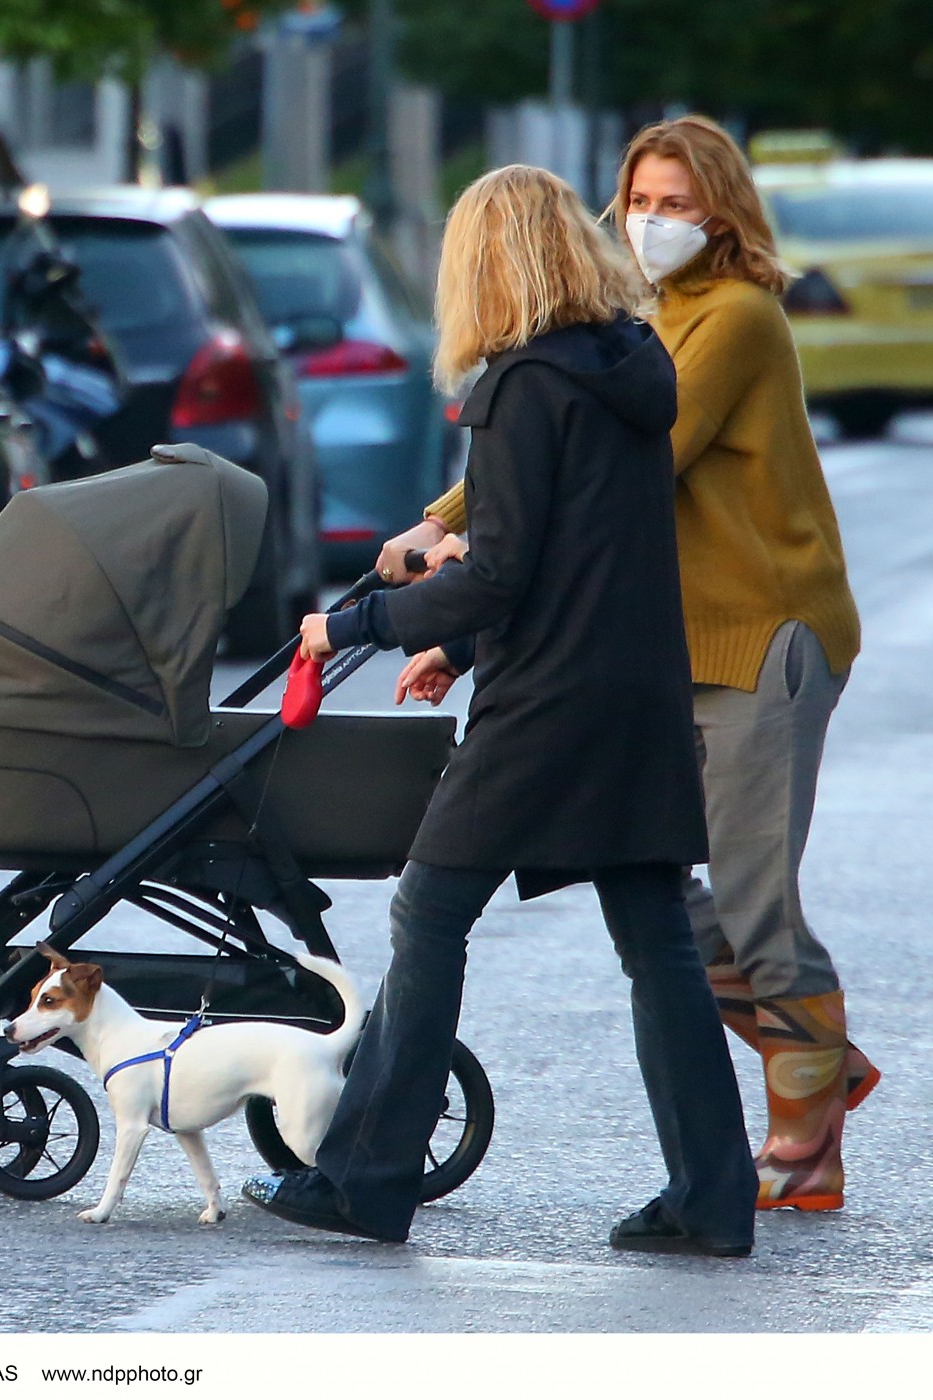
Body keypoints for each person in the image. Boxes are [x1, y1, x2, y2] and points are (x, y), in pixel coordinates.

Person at [241, 164, 759, 1256]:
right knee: (655, 937)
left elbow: (502, 570)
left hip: (549, 704)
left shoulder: (523, 388)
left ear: (487, 263)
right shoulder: (631, 364)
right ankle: (712, 1195)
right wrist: (457, 646)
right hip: (632, 687)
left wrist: (367, 621)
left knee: (429, 911)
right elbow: (583, 557)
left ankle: (368, 1178)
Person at [380, 116, 876, 1214]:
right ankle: (811, 1059)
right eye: (637, 203)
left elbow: (634, 455)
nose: (651, 224)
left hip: (760, 631)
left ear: (724, 214)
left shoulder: (734, 317)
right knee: (662, 893)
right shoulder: (638, 321)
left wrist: (451, 523)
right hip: (655, 641)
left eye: (676, 205)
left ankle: (803, 1140)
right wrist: (461, 616)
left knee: (745, 902)